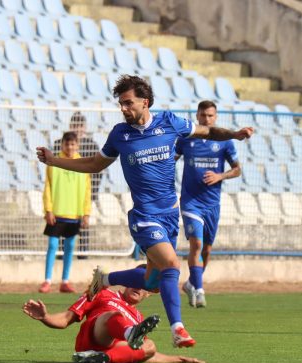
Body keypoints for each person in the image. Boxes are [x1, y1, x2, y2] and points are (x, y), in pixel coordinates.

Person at [36, 75, 254, 349]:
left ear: (145, 102)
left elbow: (207, 132)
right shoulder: (120, 134)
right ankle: (178, 329)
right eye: (121, 104)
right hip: (144, 217)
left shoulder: (170, 123)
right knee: (172, 265)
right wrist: (55, 161)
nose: (124, 108)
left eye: (128, 103)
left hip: (170, 215)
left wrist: (234, 134)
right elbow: (95, 165)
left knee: (153, 283)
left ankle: (105, 279)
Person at [23, 286, 206, 363]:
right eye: (135, 281)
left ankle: (99, 358)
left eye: (144, 286)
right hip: (94, 337)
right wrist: (45, 317)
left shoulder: (138, 317)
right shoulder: (102, 293)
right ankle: (126, 335)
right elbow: (65, 318)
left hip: (112, 350)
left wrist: (179, 359)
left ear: (149, 293)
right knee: (114, 316)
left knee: (150, 346)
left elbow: (144, 354)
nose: (138, 287)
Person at [175, 100, 241, 308]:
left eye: (210, 116)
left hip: (212, 203)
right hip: (190, 202)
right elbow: (170, 161)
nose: (207, 119)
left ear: (216, 117)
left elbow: (237, 169)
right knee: (196, 244)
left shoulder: (225, 142)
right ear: (197, 116)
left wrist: (220, 176)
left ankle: (190, 284)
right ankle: (200, 290)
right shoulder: (186, 139)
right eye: (203, 115)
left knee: (207, 250)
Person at [40, 131, 91, 293]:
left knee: (70, 247)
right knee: (52, 246)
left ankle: (65, 281)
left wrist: (86, 213)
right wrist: (48, 209)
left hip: (74, 214)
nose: (70, 147)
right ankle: (47, 281)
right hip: (56, 213)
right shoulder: (54, 163)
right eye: (67, 144)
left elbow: (87, 191)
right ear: (62, 145)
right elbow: (47, 187)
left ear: (77, 145)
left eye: (73, 144)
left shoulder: (83, 164)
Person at [53, 112, 100, 256]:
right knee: (62, 221)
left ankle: (83, 253)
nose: (78, 129)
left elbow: (97, 171)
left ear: (84, 127)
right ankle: (61, 253)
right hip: (64, 192)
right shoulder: (58, 144)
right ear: (70, 126)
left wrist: (92, 193)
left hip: (83, 192)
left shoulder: (92, 145)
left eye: (80, 126)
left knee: (84, 223)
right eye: (75, 125)